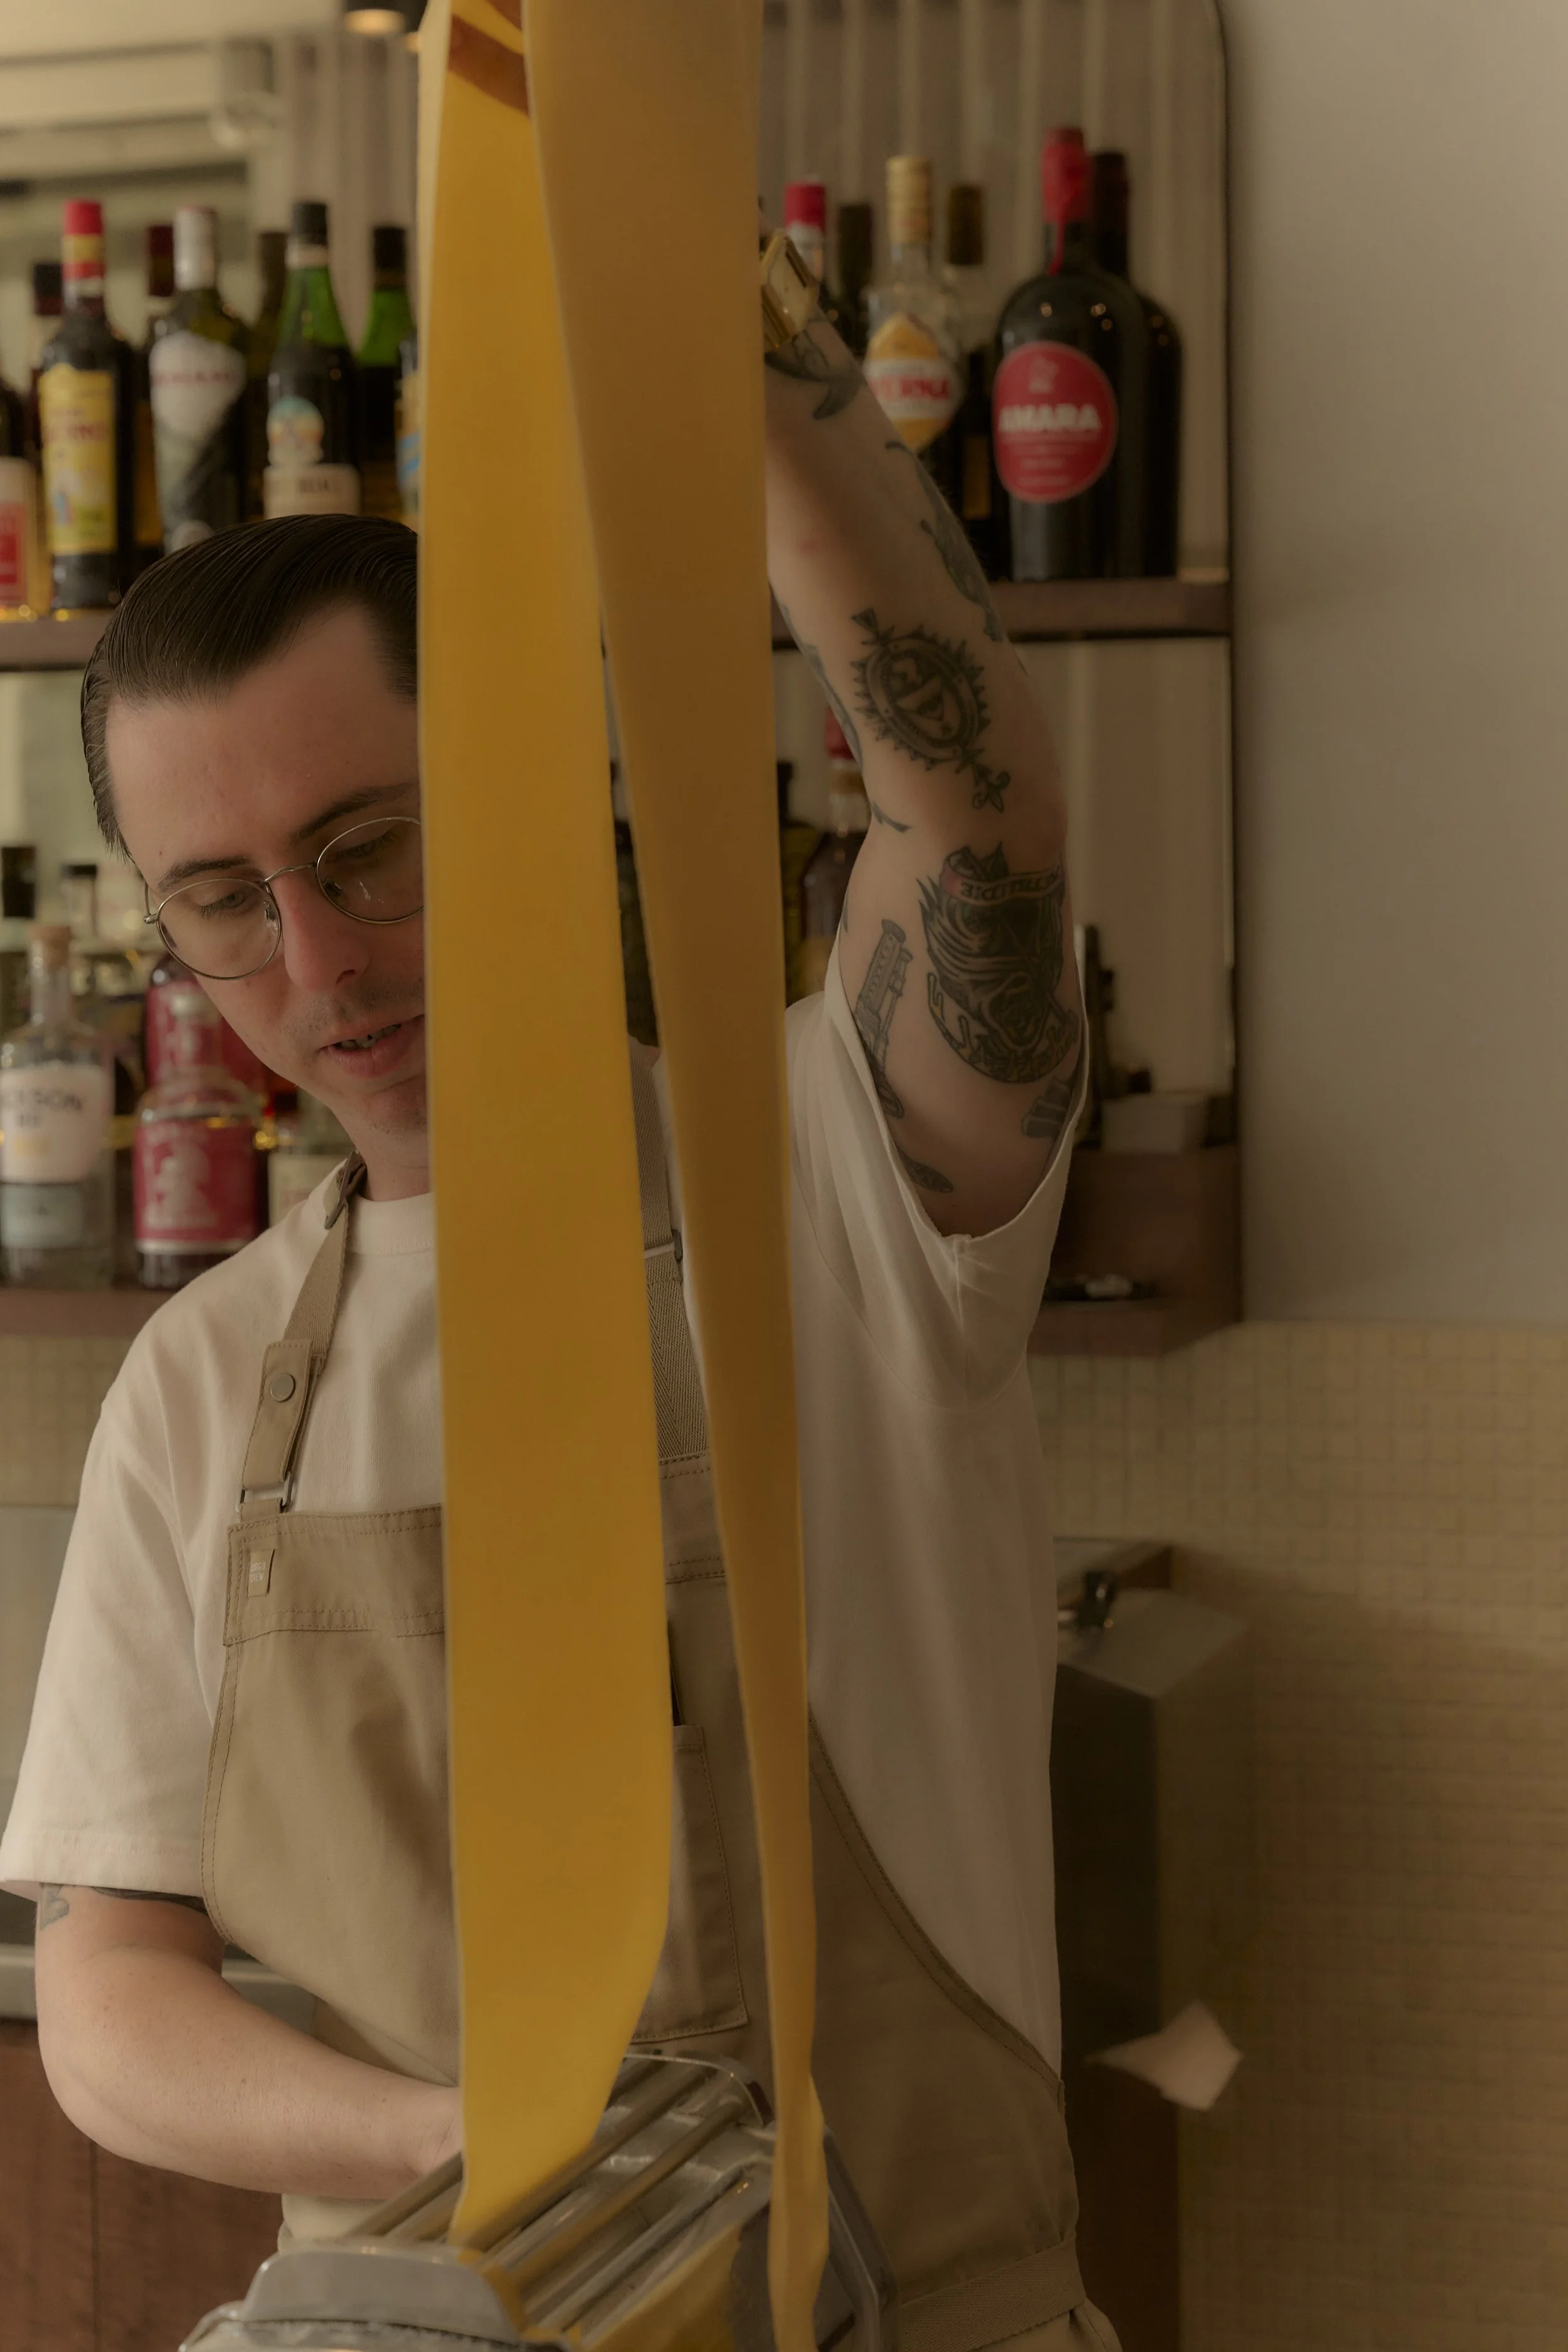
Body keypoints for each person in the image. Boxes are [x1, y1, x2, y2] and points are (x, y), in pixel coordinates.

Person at [1, 265, 1110, 2351]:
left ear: (524, 772)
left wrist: (754, 378)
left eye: (369, 847)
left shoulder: (833, 1169)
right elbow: (110, 2000)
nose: (316, 965)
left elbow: (981, 832)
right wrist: (480, 2130)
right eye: (226, 902)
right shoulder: (205, 1378)